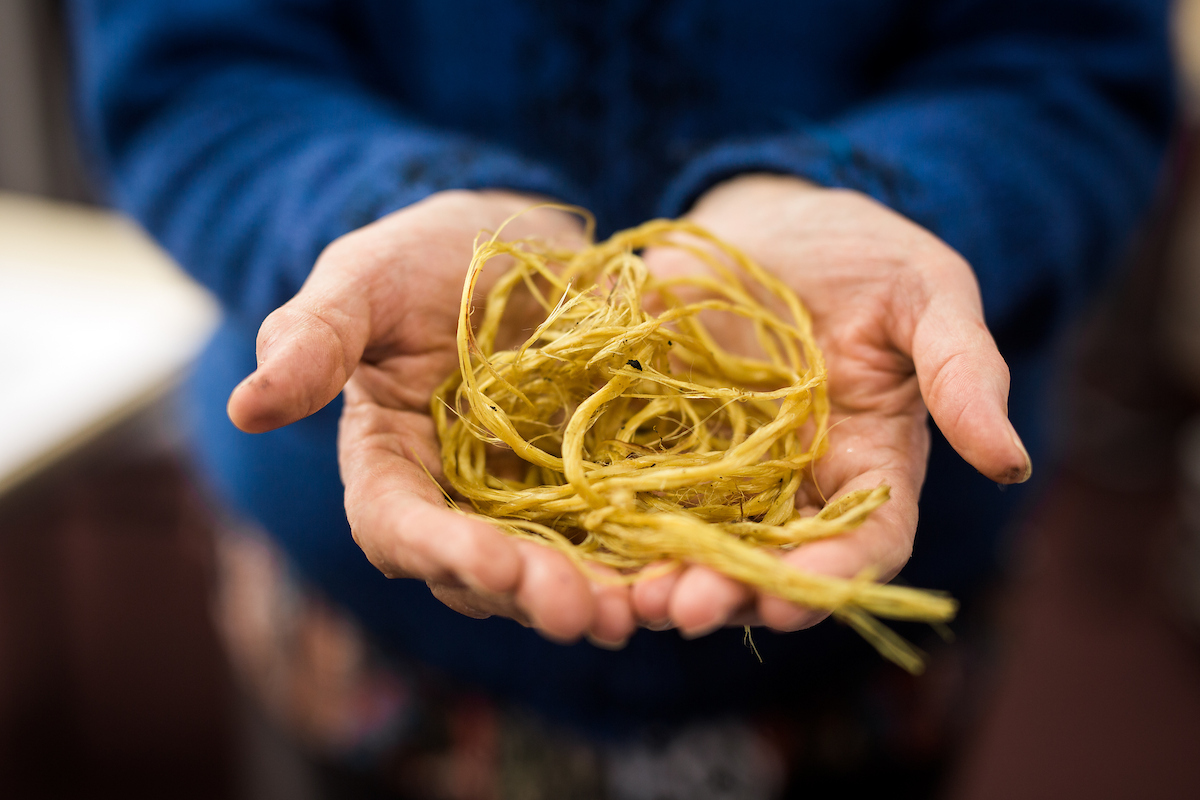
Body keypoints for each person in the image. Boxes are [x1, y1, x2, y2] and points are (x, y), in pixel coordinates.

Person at [67, 0, 1173, 786]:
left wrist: (892, 199)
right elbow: (192, 62)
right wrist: (367, 209)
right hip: (363, 598)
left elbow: (1075, 64)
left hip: (860, 618)